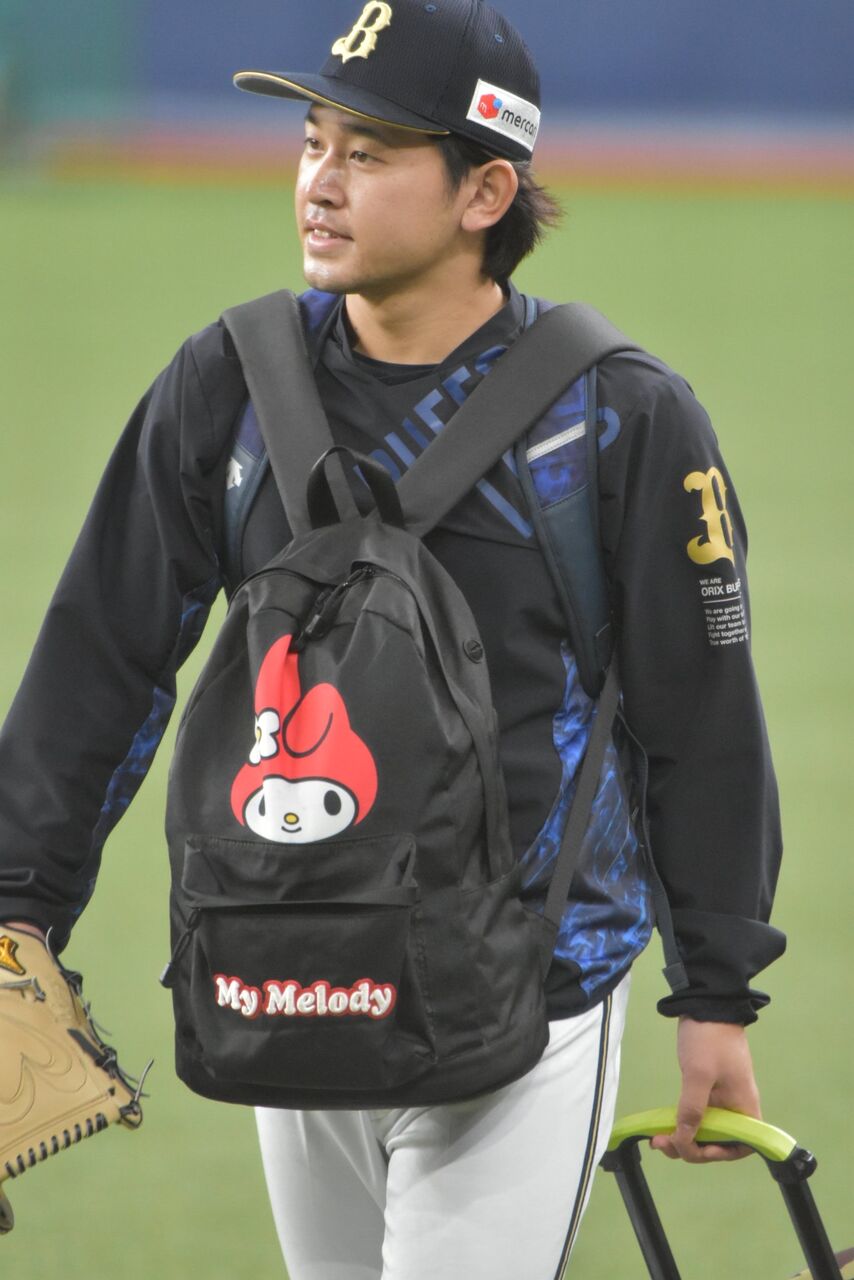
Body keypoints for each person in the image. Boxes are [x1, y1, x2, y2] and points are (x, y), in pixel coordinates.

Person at [0, 1, 785, 1276]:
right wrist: (17, 912)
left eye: (367, 154)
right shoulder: (228, 383)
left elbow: (697, 714)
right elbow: (105, 652)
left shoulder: (613, 416)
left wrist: (715, 989)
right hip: (289, 967)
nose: (318, 182)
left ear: (484, 192)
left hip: (527, 1001)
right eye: (312, 143)